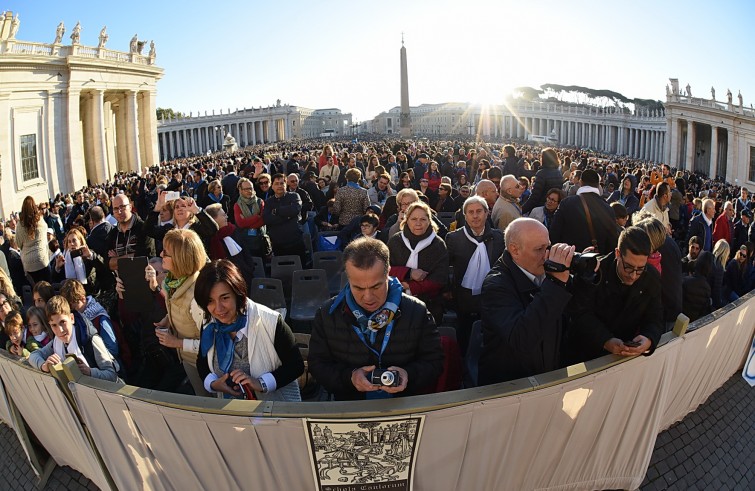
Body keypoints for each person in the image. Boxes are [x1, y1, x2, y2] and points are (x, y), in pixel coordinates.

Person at [308, 237, 444, 401]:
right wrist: (349, 378)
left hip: (404, 405)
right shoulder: (327, 314)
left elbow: (434, 362)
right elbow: (318, 365)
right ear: (348, 277)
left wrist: (409, 375)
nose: (368, 297)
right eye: (358, 288)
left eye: (376, 286)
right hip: (351, 407)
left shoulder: (417, 311)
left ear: (388, 273)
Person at [478, 218, 574, 385]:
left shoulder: (543, 272)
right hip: (511, 388)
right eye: (539, 249)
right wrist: (556, 284)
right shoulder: (495, 285)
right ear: (515, 250)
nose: (546, 255)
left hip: (548, 379)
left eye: (548, 247)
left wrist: (581, 278)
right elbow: (522, 339)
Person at [195, 260, 303, 401]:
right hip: (234, 413)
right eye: (210, 301)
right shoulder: (209, 325)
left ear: (238, 293)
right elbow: (202, 362)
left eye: (225, 298)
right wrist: (213, 384)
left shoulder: (270, 321)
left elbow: (296, 365)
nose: (218, 308)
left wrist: (261, 383)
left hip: (277, 411)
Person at [567, 226, 664, 363]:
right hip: (584, 356)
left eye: (640, 269)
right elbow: (579, 313)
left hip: (621, 359)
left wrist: (649, 339)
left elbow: (655, 317)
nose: (633, 275)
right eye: (628, 267)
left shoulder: (651, 277)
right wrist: (606, 340)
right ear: (618, 253)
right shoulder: (595, 272)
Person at [445, 196, 504, 356]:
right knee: (464, 337)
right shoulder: (454, 238)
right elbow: (445, 267)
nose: (475, 216)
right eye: (470, 212)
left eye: (479, 211)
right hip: (463, 299)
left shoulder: (499, 238)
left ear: (487, 213)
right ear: (465, 215)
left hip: (491, 297)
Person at [28, 296, 120, 383]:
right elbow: (34, 355)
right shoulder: (57, 341)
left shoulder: (90, 339)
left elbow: (112, 375)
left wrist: (90, 372)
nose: (60, 330)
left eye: (63, 322)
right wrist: (44, 366)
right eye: (54, 325)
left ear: (71, 318)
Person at [387, 202, 449, 323]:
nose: (418, 223)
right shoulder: (395, 241)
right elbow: (385, 269)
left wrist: (410, 286)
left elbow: (440, 278)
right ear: (406, 220)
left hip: (430, 304)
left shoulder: (438, 244)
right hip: (396, 302)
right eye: (414, 219)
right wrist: (409, 273)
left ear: (429, 221)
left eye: (423, 219)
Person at [550, 169, 620, 254]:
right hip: (595, 262)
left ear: (580, 182)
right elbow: (611, 243)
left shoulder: (566, 203)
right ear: (598, 185)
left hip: (568, 258)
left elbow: (554, 233)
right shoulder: (608, 209)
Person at [106, 193, 155, 271]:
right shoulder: (113, 234)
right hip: (121, 281)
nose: (119, 212)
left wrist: (117, 258)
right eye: (115, 209)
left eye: (122, 207)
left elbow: (142, 259)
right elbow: (109, 264)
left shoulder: (143, 228)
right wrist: (131, 256)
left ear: (130, 207)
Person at [262, 173, 305, 260]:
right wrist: (287, 216)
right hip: (278, 245)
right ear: (272, 186)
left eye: (282, 183)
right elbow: (267, 219)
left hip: (295, 242)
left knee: (300, 270)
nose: (280, 186)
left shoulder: (294, 196)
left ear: (286, 184)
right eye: (277, 184)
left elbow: (295, 209)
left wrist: (276, 211)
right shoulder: (268, 202)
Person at [16, 196, 51, 283]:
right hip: (42, 259)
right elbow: (45, 235)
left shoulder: (20, 225)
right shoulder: (40, 220)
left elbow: (18, 244)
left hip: (28, 264)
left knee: (36, 289)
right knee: (48, 286)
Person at [233, 178, 270, 257]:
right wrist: (257, 217)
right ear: (241, 190)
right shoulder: (237, 205)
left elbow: (263, 220)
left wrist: (247, 223)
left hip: (260, 241)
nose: (249, 191)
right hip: (245, 242)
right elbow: (240, 223)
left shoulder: (260, 202)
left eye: (250, 188)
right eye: (246, 189)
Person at [521, 148, 564, 214]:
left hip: (541, 209)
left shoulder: (542, 173)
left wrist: (521, 210)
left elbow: (535, 197)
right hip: (553, 209)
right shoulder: (559, 173)